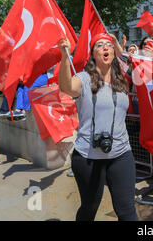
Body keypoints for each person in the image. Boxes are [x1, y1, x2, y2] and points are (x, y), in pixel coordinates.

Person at [57, 33, 138, 221]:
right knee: (89, 207)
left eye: (109, 45)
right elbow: (67, 87)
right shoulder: (84, 78)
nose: (105, 48)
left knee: (127, 211)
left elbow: (141, 67)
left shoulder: (122, 79)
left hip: (121, 154)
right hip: (88, 156)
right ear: (93, 54)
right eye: (100, 45)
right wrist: (63, 56)